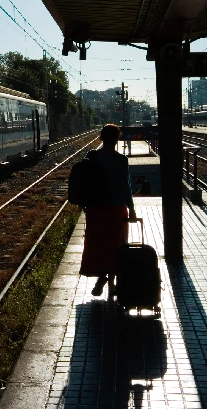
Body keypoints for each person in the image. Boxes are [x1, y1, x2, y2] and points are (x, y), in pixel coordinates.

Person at [80, 124, 137, 298]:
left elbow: (84, 181)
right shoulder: (121, 160)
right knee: (116, 243)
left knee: (98, 243)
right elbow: (125, 188)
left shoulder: (92, 157)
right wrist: (131, 208)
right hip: (115, 208)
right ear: (117, 138)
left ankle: (102, 276)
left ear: (101, 137)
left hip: (95, 208)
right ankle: (111, 281)